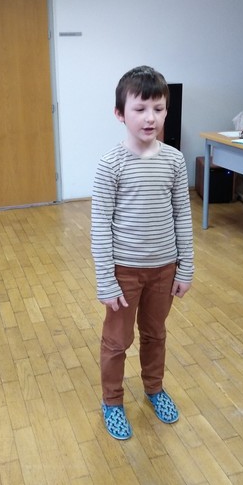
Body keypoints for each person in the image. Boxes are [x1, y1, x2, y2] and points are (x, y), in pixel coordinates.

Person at [91, 65, 194, 440]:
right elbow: (100, 226)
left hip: (164, 270)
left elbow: (182, 215)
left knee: (155, 334)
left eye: (158, 108)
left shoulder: (174, 160)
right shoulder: (110, 165)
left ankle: (154, 389)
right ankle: (112, 401)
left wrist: (185, 267)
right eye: (140, 109)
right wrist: (106, 280)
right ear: (120, 113)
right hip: (124, 273)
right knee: (117, 341)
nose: (150, 117)